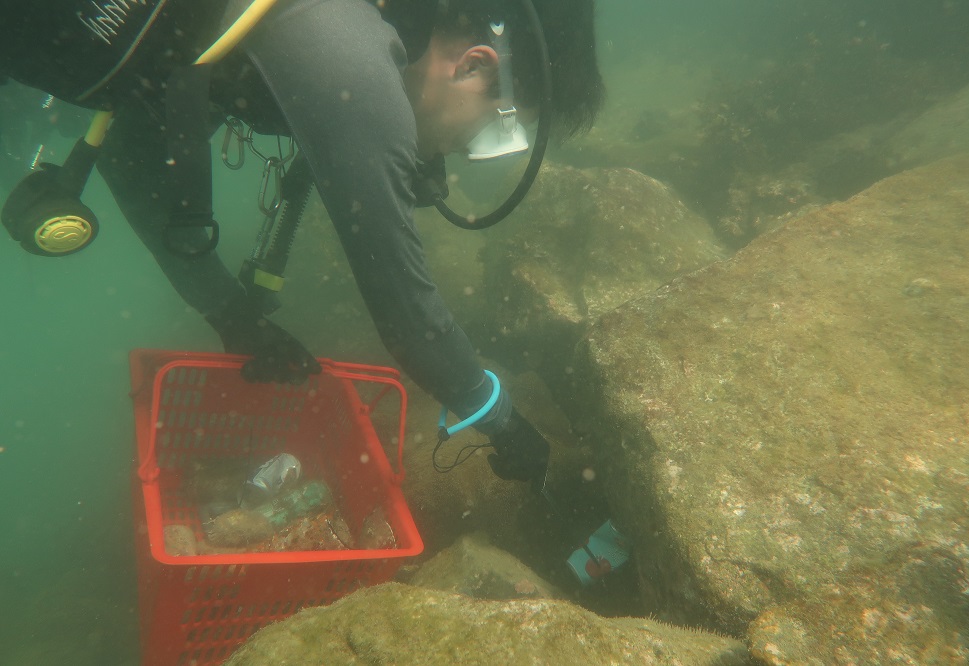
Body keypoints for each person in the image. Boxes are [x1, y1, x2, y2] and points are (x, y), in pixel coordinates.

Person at [0, 0, 604, 490]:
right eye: (481, 136)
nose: (455, 156)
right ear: (474, 67)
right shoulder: (344, 47)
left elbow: (135, 158)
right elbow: (407, 315)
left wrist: (233, 315)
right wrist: (499, 419)